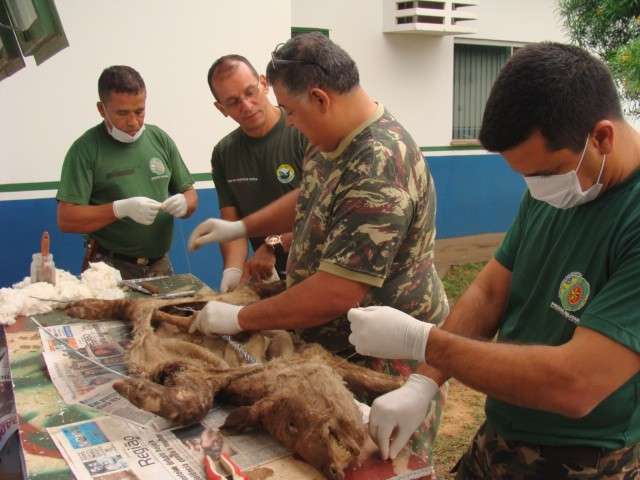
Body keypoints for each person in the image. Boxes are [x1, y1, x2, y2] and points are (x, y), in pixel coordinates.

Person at [348, 42, 640, 479]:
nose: (536, 188)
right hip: (503, 432)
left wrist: (423, 342)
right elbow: (490, 291)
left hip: (583, 460)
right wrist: (423, 381)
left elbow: (576, 384)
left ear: (601, 138)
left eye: (542, 174)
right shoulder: (562, 181)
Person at [188, 33, 448, 470]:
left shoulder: (379, 163)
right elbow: (310, 194)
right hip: (335, 349)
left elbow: (335, 292)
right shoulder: (332, 139)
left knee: (378, 465)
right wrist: (242, 226)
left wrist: (239, 318)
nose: (288, 121)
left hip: (383, 364)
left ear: (320, 98)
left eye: (290, 111)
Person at [56, 65, 198, 279]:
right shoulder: (85, 150)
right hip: (108, 267)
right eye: (122, 113)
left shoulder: (159, 139)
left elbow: (190, 194)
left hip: (160, 265)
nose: (133, 122)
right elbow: (66, 219)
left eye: (139, 111)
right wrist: (119, 209)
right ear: (102, 109)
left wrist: (185, 203)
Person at [206, 55, 307, 292]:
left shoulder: (303, 131)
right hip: (269, 279)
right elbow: (232, 226)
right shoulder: (224, 153)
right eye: (233, 102)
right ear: (221, 108)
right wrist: (233, 270)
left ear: (264, 83)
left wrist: (274, 244)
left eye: (250, 92)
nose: (246, 106)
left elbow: (327, 215)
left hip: (319, 274)